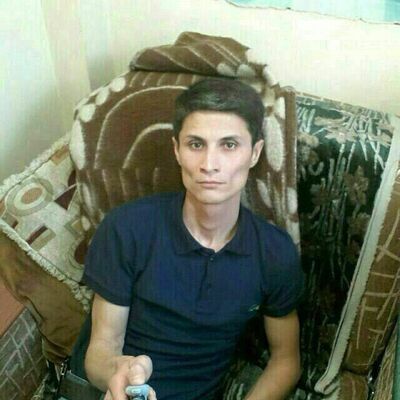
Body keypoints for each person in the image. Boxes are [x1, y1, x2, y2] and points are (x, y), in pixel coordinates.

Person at [82, 78, 304, 400]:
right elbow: (100, 352)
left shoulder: (275, 253)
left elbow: (286, 361)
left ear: (255, 153)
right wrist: (118, 372)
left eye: (229, 145)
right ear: (177, 149)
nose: (209, 165)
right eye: (196, 145)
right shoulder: (126, 229)